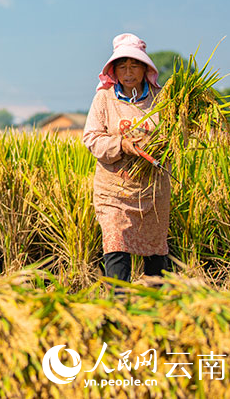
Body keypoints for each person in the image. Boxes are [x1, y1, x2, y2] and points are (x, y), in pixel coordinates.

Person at [83, 33, 171, 284]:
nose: (129, 72)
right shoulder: (104, 99)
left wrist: (156, 147)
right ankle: (118, 304)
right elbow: (91, 138)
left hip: (152, 190)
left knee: (155, 248)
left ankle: (154, 305)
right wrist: (121, 144)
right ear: (114, 70)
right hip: (114, 191)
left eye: (134, 65)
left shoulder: (161, 100)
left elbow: (176, 138)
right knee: (115, 240)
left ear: (145, 69)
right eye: (123, 66)